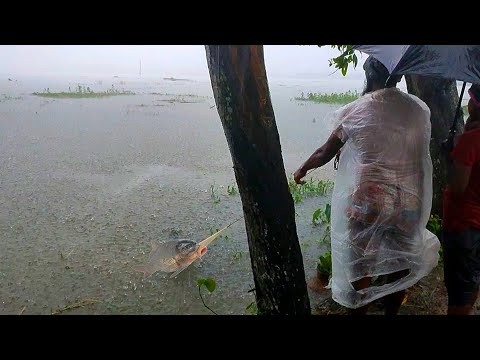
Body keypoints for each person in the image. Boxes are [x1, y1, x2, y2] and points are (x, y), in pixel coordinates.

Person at [294, 56, 439, 315]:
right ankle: (391, 312)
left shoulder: (357, 109)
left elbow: (324, 152)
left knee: (362, 263)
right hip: (408, 203)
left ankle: (359, 310)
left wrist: (303, 168)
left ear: (370, 76)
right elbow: (420, 156)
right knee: (400, 262)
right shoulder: (418, 110)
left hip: (369, 203)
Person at [442, 83, 480, 315]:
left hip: (463, 225)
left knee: (458, 294)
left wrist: (449, 158)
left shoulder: (471, 141)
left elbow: (457, 187)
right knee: (472, 280)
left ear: (474, 105)